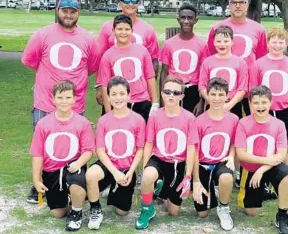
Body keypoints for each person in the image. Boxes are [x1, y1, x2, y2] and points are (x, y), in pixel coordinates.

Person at [22, 0, 100, 204]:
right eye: (64, 10)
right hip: (45, 102)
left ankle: (69, 183)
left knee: (70, 144)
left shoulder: (87, 39)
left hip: (75, 102)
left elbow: (92, 66)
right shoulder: (43, 34)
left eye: (72, 11)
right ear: (57, 11)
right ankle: (39, 183)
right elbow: (29, 60)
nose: (68, 14)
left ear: (78, 13)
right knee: (44, 145)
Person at [30, 80, 95, 232]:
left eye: (67, 97)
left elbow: (88, 150)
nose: (64, 101)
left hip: (72, 167)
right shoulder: (43, 124)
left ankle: (77, 211)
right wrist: (36, 179)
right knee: (58, 213)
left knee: (76, 181)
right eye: (60, 98)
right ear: (53, 99)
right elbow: (37, 153)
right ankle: (68, 198)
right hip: (52, 171)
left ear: (74, 99)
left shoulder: (82, 123)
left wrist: (79, 163)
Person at [135, 76, 198, 230]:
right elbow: (149, 142)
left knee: (173, 212)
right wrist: (144, 169)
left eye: (176, 93)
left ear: (182, 96)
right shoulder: (155, 116)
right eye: (167, 91)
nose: (171, 95)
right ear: (162, 93)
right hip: (159, 159)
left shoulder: (189, 118)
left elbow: (191, 148)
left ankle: (160, 189)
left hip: (178, 164)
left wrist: (188, 176)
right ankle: (146, 209)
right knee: (149, 176)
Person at [85, 76, 146, 230]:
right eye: (113, 94)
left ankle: (114, 188)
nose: (118, 98)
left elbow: (140, 149)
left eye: (121, 93)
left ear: (129, 96)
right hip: (109, 165)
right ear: (109, 97)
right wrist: (114, 172)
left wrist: (130, 171)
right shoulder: (104, 120)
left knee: (122, 212)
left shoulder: (138, 120)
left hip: (126, 168)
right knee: (91, 174)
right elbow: (100, 149)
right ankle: (95, 209)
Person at [255, 27, 288, 197]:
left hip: (285, 111)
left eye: (281, 42)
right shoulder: (259, 64)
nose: (277, 45)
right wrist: (253, 115)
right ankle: (263, 183)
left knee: (287, 147)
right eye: (274, 41)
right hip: (264, 112)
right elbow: (253, 93)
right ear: (268, 43)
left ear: (286, 44)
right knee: (264, 146)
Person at [235, 85, 288, 234]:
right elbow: (241, 154)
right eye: (256, 103)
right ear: (250, 104)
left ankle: (282, 215)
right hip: (250, 169)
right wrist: (263, 163)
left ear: (270, 102)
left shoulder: (279, 124)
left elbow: (282, 154)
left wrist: (262, 169)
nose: (260, 106)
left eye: (264, 102)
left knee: (287, 175)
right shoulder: (243, 123)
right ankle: (264, 191)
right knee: (251, 212)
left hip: (268, 167)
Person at [207, 0, 267, 119]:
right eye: (234, 2)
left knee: (251, 124)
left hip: (250, 86)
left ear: (247, 4)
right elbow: (211, 56)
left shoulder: (258, 29)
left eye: (241, 2)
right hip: (224, 87)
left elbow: (261, 59)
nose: (238, 6)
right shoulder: (217, 28)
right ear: (229, 5)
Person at [96, 0, 160, 108]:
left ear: (138, 4)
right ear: (120, 3)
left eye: (134, 0)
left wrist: (152, 94)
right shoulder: (107, 27)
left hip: (140, 94)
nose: (130, 4)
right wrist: (99, 86)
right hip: (115, 92)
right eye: (126, 0)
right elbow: (101, 58)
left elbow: (153, 62)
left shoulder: (148, 29)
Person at [193, 77, 238, 231]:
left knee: (226, 177)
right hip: (202, 165)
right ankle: (212, 188)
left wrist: (231, 156)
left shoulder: (233, 119)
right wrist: (196, 180)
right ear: (207, 95)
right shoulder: (198, 121)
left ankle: (224, 207)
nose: (217, 98)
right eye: (213, 94)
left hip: (221, 162)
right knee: (202, 214)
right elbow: (194, 152)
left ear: (227, 96)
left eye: (220, 95)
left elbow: (233, 142)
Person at [97, 15, 159, 122]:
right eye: (119, 29)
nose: (123, 32)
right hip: (118, 102)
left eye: (127, 29)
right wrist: (108, 111)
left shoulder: (142, 51)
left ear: (132, 30)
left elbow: (150, 77)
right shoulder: (107, 56)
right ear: (113, 31)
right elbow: (104, 85)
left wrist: (154, 102)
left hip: (141, 101)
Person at [160, 4, 208, 115]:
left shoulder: (202, 45)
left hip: (193, 90)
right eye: (183, 18)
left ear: (195, 20)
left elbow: (204, 74)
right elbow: (164, 71)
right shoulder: (169, 44)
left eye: (190, 18)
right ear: (178, 20)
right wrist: (163, 98)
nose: (186, 21)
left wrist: (201, 101)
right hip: (173, 88)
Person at [199, 26, 248, 118]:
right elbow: (202, 86)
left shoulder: (240, 63)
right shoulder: (207, 62)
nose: (222, 44)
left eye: (226, 41)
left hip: (233, 105)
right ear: (213, 42)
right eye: (218, 41)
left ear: (232, 42)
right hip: (212, 104)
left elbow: (242, 88)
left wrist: (229, 105)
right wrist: (213, 102)